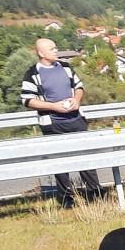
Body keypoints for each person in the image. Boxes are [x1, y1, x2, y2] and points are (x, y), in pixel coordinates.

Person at [20, 38, 103, 205]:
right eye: (52, 49)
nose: (56, 51)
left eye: (55, 48)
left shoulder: (66, 67)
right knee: (60, 163)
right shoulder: (32, 74)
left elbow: (79, 87)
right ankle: (66, 198)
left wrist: (76, 100)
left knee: (85, 158)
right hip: (53, 123)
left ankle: (95, 194)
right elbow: (27, 100)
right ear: (41, 53)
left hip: (76, 119)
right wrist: (53, 106)